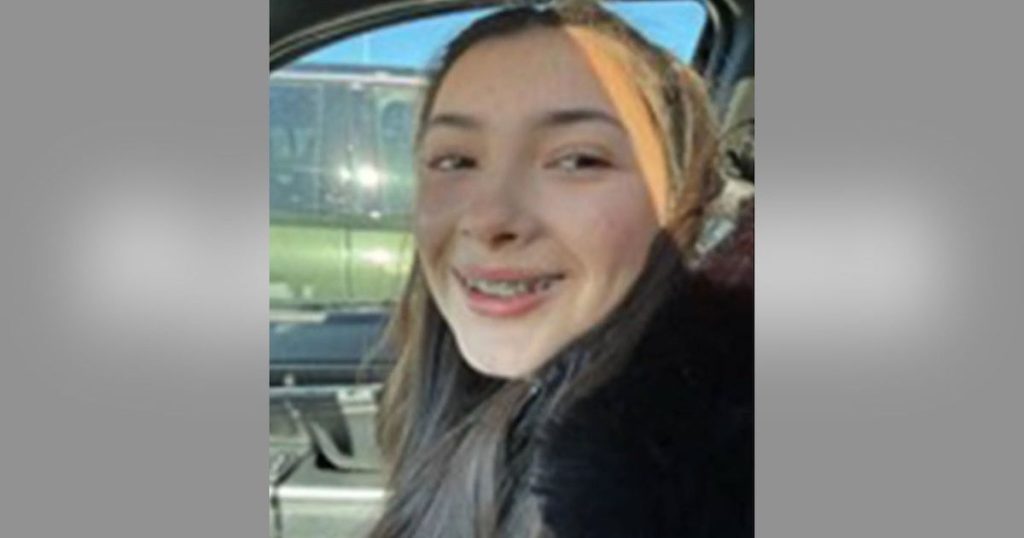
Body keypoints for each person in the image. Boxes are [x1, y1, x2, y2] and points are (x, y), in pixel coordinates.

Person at [366, 2, 752, 536]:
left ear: (685, 202)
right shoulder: (467, 427)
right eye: (455, 161)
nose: (488, 220)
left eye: (577, 160)